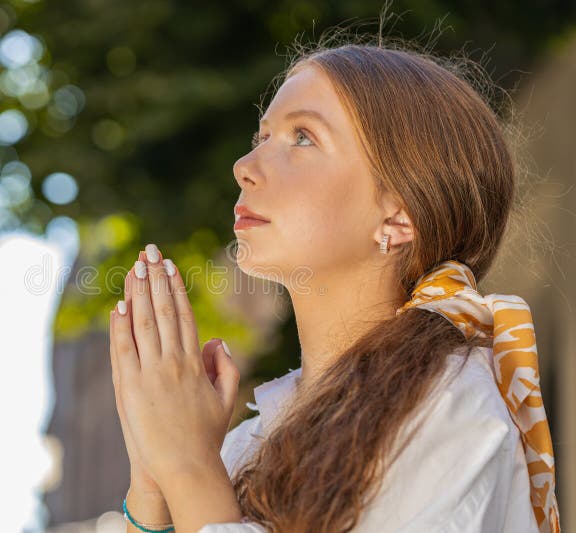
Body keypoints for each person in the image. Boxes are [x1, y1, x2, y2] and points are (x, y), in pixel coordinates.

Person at [113, 36, 560, 533]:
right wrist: (152, 480)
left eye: (303, 137)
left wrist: (188, 463)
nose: (244, 167)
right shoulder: (247, 442)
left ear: (399, 214)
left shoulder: (452, 405)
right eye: (262, 139)